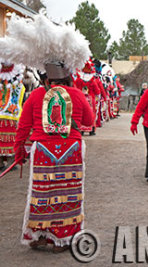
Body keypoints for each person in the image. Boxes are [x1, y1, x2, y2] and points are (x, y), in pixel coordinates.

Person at [0, 14, 93, 252]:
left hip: (42, 150)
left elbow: (22, 128)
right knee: (67, 193)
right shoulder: (78, 95)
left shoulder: (35, 96)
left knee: (42, 193)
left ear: (46, 76)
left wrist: (19, 151)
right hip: (71, 149)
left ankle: (41, 235)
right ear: (69, 74)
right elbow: (89, 122)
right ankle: (61, 239)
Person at [0, 62, 25, 170]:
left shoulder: (17, 78)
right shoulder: (18, 80)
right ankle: (10, 162)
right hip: (11, 114)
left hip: (10, 113)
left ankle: (3, 163)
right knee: (11, 138)